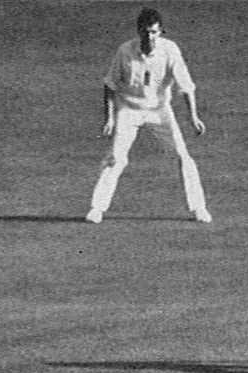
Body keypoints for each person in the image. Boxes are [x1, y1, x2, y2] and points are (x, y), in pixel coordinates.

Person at [85, 7, 211, 225]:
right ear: (138, 32)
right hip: (129, 109)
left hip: (159, 110)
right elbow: (110, 85)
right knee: (116, 158)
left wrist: (193, 116)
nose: (149, 37)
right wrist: (110, 118)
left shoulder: (170, 50)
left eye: (153, 32)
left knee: (182, 155)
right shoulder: (125, 51)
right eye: (145, 32)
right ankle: (97, 208)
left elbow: (186, 85)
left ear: (160, 31)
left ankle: (199, 207)